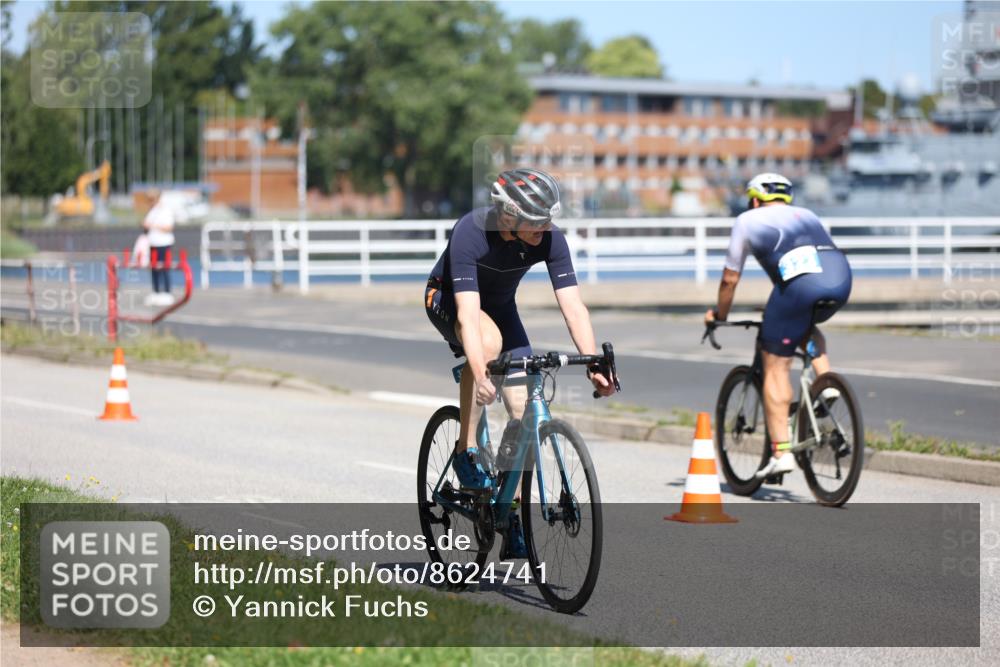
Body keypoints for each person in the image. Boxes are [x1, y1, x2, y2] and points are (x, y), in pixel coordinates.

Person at [425, 168, 615, 556]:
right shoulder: (471, 231)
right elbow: (467, 314)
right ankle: (465, 451)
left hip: (500, 308)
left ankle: (507, 510)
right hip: (448, 302)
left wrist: (594, 359)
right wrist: (479, 373)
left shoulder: (548, 238)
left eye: (549, 219)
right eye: (537, 220)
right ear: (508, 214)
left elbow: (574, 308)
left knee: (520, 408)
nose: (545, 228)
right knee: (488, 344)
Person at [705, 173, 852, 478]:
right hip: (840, 277)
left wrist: (719, 315)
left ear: (756, 199)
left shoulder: (747, 220)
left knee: (775, 367)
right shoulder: (807, 214)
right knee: (802, 323)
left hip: (799, 289)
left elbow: (730, 279)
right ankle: (827, 384)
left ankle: (780, 452)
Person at [143, 190, 176, 306]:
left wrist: (153, 226)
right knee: (154, 268)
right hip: (152, 243)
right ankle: (156, 292)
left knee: (164, 267)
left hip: (163, 243)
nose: (150, 202)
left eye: (152, 199)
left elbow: (169, 227)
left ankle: (167, 292)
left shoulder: (165, 210)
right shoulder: (152, 211)